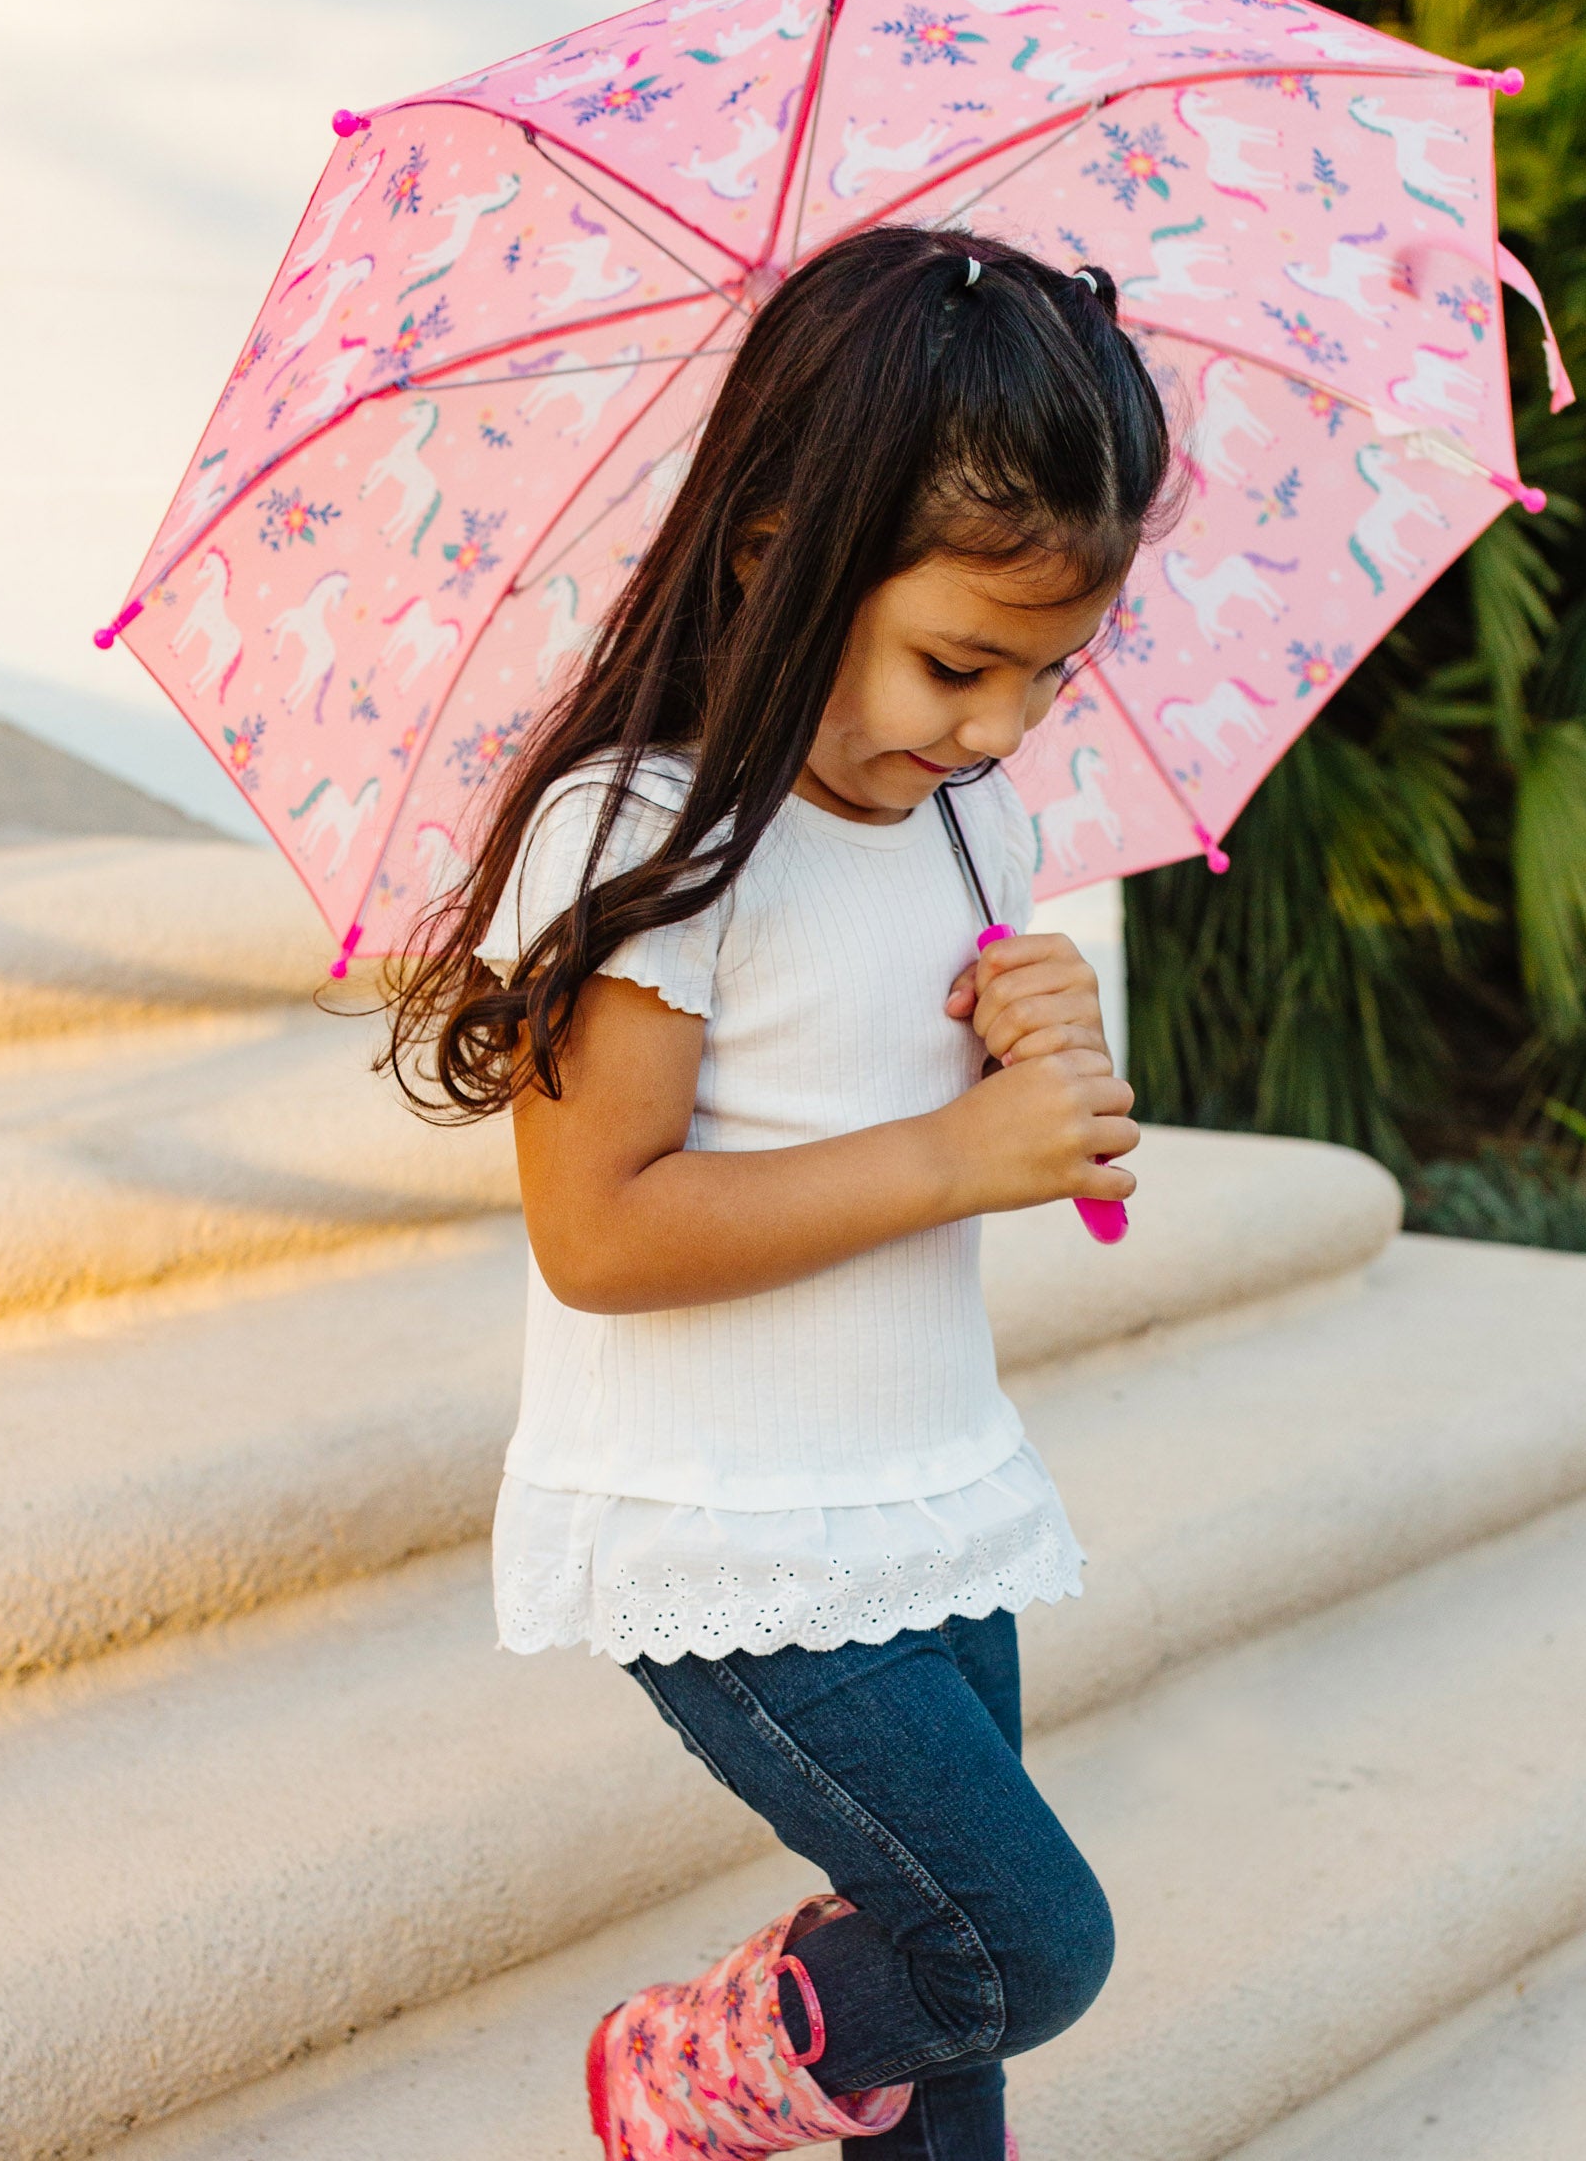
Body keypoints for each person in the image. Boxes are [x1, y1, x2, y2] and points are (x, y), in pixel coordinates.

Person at [383, 223, 1176, 2159]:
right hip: (728, 1529)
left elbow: (951, 1118)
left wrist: (1033, 1055)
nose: (993, 725)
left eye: (1046, 675)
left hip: (925, 1480)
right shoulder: (640, 833)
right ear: (775, 551)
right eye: (955, 660)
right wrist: (946, 1151)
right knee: (1019, 1940)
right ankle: (693, 2059)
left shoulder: (965, 816)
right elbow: (602, 1230)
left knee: (950, 2010)